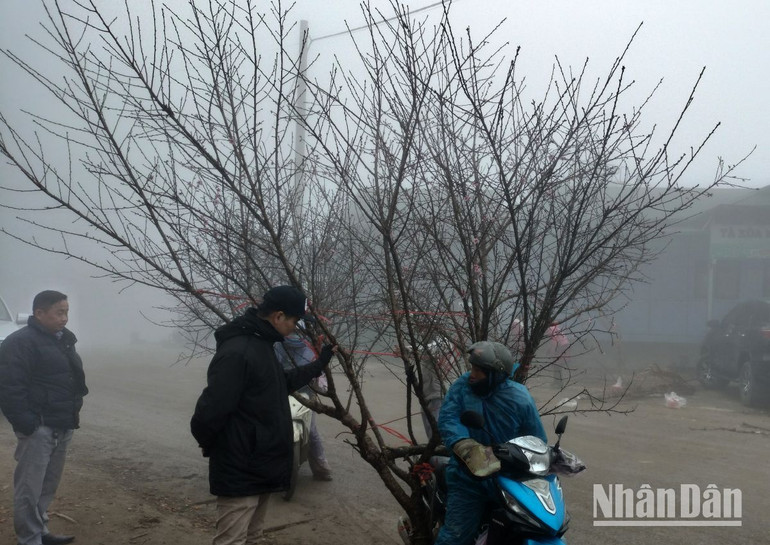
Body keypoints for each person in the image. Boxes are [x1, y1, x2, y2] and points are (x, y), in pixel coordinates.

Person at [190, 285, 335, 545]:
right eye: (294, 321)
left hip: (260, 464)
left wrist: (318, 364)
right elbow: (210, 411)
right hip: (241, 468)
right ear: (278, 316)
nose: (295, 328)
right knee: (232, 540)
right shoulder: (239, 351)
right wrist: (218, 446)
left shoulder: (262, 344)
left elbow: (279, 383)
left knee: (253, 537)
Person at [435, 341, 546, 545]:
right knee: (455, 538)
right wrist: (463, 444)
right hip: (468, 478)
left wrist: (541, 456)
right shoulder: (462, 387)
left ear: (495, 374)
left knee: (538, 526)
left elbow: (536, 437)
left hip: (508, 478)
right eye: (472, 368)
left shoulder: (519, 397)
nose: (472, 374)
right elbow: (449, 417)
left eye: (478, 370)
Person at [0, 290, 88, 545]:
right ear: (39, 313)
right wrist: (28, 425)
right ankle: (29, 539)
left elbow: (71, 379)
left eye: (66, 312)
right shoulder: (20, 342)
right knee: (29, 488)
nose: (65, 318)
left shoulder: (63, 339)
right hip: (39, 428)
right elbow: (10, 388)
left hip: (62, 424)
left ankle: (40, 531)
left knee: (47, 486)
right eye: (59, 312)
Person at [274, 319, 333, 481]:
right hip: (283, 392)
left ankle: (321, 468)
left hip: (306, 394)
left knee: (311, 431)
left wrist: (318, 381)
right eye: (293, 331)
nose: (294, 336)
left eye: (297, 332)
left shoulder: (311, 348)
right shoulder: (277, 346)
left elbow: (320, 371)